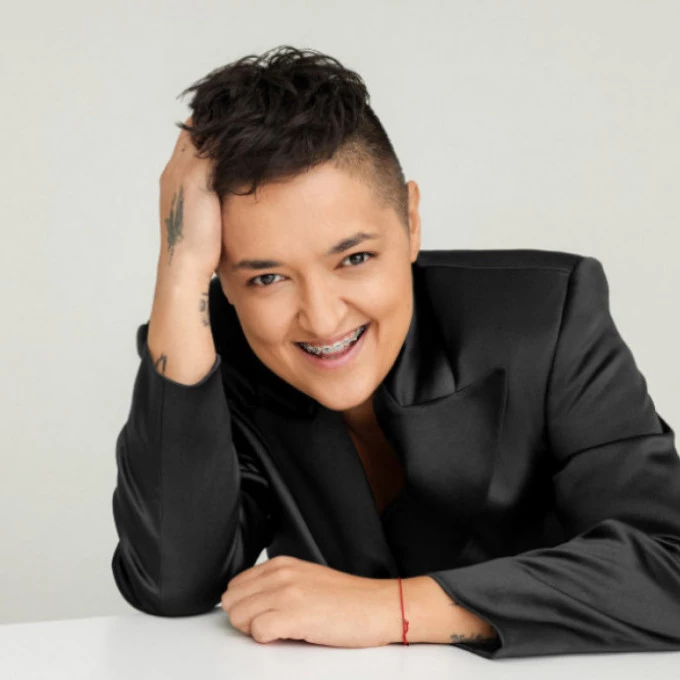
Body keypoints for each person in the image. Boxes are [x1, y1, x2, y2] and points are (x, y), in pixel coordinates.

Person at [111, 45, 680, 658]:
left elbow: (671, 565)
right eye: (266, 277)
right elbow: (171, 584)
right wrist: (180, 270)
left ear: (411, 220)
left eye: (354, 258)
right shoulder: (218, 355)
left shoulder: (545, 319)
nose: (322, 317)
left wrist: (394, 609)